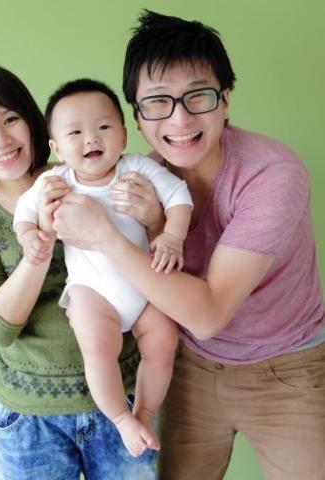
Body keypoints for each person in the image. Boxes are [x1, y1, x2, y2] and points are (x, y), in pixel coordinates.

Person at [51, 10, 325, 480]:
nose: (179, 118)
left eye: (198, 96)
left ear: (225, 101)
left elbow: (208, 314)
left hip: (288, 371)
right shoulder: (137, 177)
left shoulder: (272, 174)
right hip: (189, 366)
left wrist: (107, 237)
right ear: (135, 118)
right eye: (157, 102)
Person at [0, 64, 159, 479]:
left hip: (124, 404)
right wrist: (37, 249)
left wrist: (156, 218)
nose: (1, 141)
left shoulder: (92, 174)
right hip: (30, 420)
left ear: (37, 125)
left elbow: (155, 262)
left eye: (10, 120)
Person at [13, 78, 193, 456]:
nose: (91, 138)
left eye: (104, 127)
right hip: (93, 292)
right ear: (56, 148)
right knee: (97, 348)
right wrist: (30, 235)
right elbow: (23, 214)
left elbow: (179, 195)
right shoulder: (53, 181)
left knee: (164, 341)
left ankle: (143, 410)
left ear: (125, 136)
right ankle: (120, 417)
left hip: (143, 286)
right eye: (75, 132)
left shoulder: (138, 169)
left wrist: (172, 235)